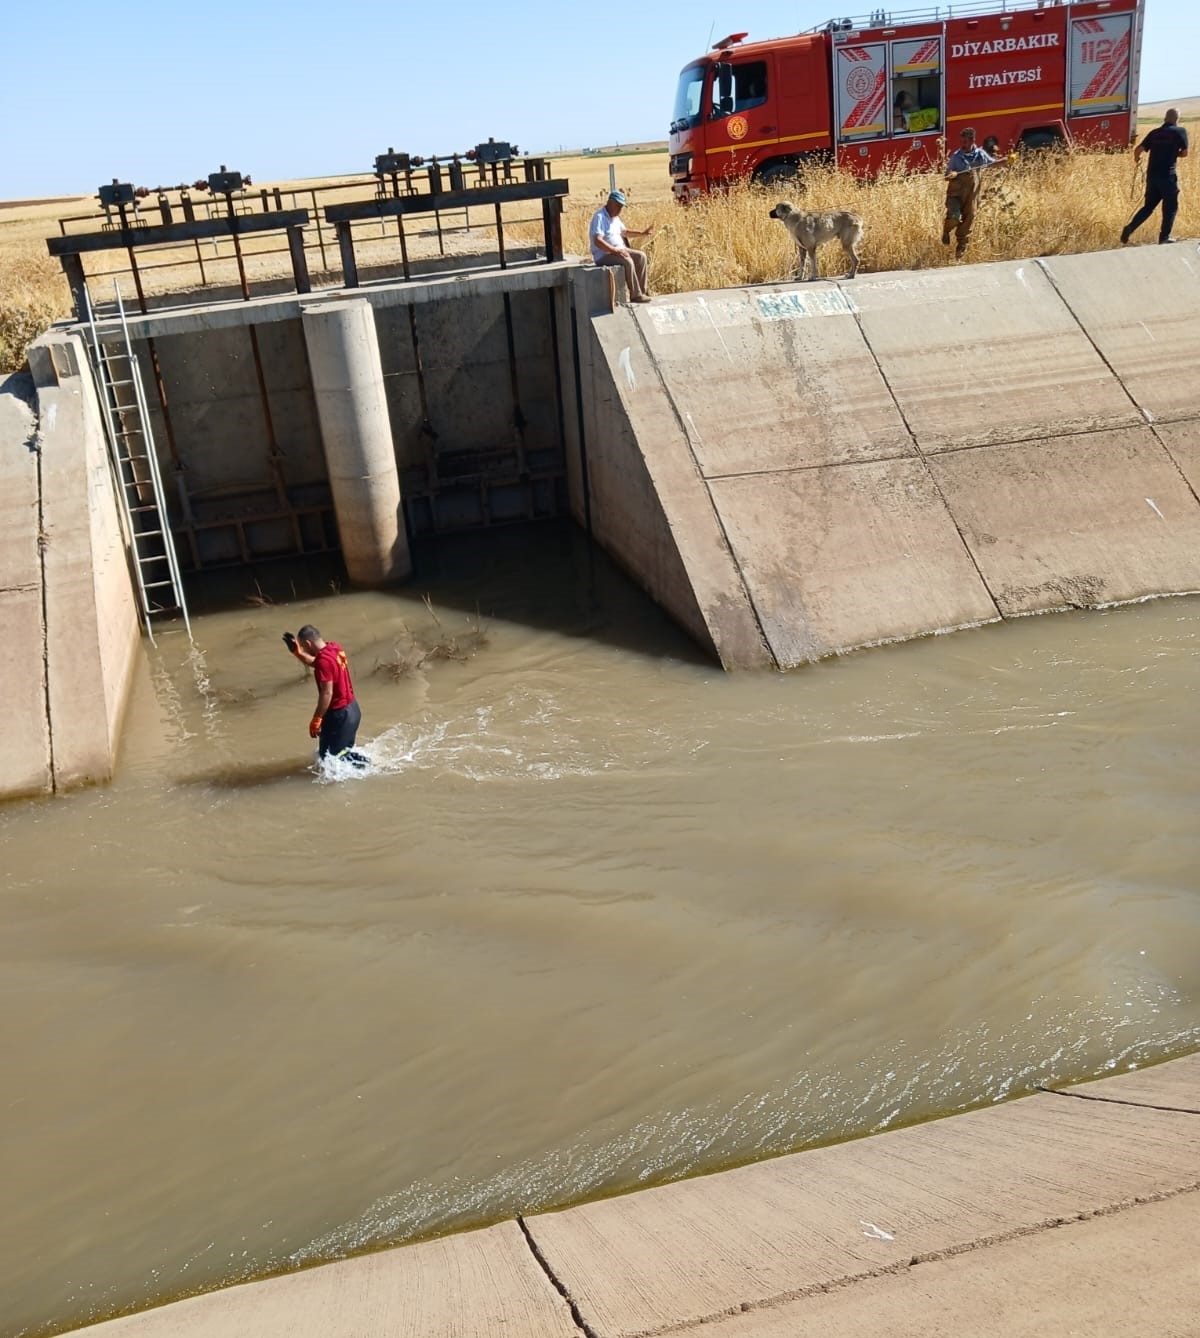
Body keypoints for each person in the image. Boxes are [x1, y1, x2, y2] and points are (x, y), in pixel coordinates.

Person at [283, 625, 365, 764]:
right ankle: (366, 770)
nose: (303, 649)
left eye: (303, 646)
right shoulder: (334, 648)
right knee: (338, 755)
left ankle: (367, 770)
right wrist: (298, 653)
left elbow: (327, 693)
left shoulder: (323, 662)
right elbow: (317, 662)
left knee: (330, 759)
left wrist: (317, 719)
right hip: (352, 711)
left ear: (308, 643)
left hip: (339, 716)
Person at [941, 126, 1013, 259]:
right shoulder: (956, 157)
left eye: (965, 142)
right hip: (956, 195)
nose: (962, 145)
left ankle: (960, 249)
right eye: (961, 141)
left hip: (972, 195)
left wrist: (1007, 161)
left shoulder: (980, 154)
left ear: (972, 141)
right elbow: (946, 175)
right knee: (955, 216)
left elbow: (993, 164)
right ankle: (946, 231)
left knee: (969, 219)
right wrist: (951, 174)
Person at [1121, 108, 1189, 246]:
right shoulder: (1180, 132)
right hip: (1168, 177)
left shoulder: (1154, 133)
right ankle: (1164, 237)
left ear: (1165, 118)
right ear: (1177, 119)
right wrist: (1175, 154)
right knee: (1170, 207)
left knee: (1148, 207)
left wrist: (1137, 160)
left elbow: (1138, 150)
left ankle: (1130, 228)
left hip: (1152, 177)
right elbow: (1185, 153)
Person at [589, 190, 655, 304]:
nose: (620, 209)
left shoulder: (615, 218)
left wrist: (642, 233)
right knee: (627, 261)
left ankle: (643, 291)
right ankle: (636, 295)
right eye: (618, 206)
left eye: (621, 206)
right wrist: (615, 251)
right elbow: (597, 241)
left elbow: (624, 232)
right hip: (605, 255)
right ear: (610, 203)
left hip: (618, 250)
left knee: (641, 257)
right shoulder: (599, 217)